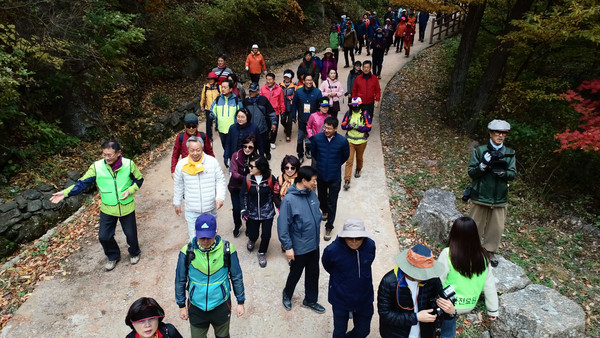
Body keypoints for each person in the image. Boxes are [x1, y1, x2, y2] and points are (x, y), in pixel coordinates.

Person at [50, 140, 143, 271]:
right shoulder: (97, 167)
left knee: (131, 234)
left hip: (126, 206)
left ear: (118, 153)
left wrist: (130, 190)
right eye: (104, 154)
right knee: (104, 236)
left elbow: (139, 179)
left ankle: (134, 252)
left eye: (109, 155)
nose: (106, 158)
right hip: (108, 207)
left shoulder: (129, 164)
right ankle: (113, 256)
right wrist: (65, 193)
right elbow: (82, 183)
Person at [175, 214, 245, 338]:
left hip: (221, 305)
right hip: (196, 307)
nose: (206, 241)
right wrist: (182, 306)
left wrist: (240, 301)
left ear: (216, 232)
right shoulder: (187, 252)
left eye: (209, 236)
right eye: (202, 237)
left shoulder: (227, 250)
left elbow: (236, 276)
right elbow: (180, 280)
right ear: (196, 233)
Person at [437, 217, 499, 338]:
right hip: (470, 304)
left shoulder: (448, 253)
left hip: (449, 305)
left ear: (453, 233)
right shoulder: (484, 256)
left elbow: (438, 279)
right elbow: (489, 285)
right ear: (475, 235)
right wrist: (493, 310)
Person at [377, 244, 456, 338]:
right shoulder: (389, 282)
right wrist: (416, 317)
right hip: (396, 334)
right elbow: (385, 314)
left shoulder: (433, 279)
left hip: (425, 333)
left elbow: (438, 307)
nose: (426, 276)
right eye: (422, 273)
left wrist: (450, 312)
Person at [468, 119, 516, 267]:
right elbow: (471, 172)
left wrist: (503, 173)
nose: (500, 136)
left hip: (499, 197)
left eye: (503, 133)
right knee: (474, 225)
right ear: (490, 133)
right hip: (480, 195)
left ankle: (489, 251)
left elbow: (512, 174)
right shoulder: (480, 151)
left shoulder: (509, 153)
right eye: (497, 133)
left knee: (496, 227)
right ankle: (470, 251)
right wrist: (482, 166)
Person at [278, 166, 325, 314]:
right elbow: (283, 225)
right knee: (295, 273)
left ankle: (310, 300)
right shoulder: (289, 200)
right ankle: (287, 294)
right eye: (313, 181)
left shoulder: (312, 194)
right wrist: (288, 247)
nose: (315, 183)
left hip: (314, 244)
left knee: (313, 273)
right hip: (299, 247)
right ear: (304, 181)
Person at [322, 218, 376, 338]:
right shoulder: (332, 250)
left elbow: (370, 261)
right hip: (340, 299)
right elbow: (327, 264)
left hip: (364, 298)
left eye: (358, 238)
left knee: (363, 331)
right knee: (339, 332)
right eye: (350, 238)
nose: (354, 241)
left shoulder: (370, 245)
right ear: (344, 236)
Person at [173, 136, 226, 241]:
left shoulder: (212, 162)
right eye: (192, 150)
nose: (195, 153)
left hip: (210, 208)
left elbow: (220, 180)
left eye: (198, 150)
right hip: (192, 209)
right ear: (188, 150)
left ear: (202, 149)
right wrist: (177, 203)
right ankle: (195, 256)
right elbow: (178, 185)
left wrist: (220, 197)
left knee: (211, 237)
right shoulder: (181, 165)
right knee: (194, 238)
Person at [310, 116, 350, 241]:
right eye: (325, 127)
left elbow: (345, 156)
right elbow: (314, 153)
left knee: (333, 202)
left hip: (334, 177)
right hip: (321, 175)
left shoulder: (342, 141)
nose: (326, 130)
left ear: (336, 129)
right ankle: (324, 211)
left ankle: (329, 226)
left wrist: (335, 164)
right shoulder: (317, 139)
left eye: (329, 128)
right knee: (321, 197)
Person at [241, 155, 278, 268]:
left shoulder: (271, 179)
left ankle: (262, 252)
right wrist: (244, 209)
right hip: (252, 213)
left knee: (266, 235)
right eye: (249, 166)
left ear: (261, 168)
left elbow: (275, 194)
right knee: (253, 233)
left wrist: (280, 206)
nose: (249, 168)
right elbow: (243, 195)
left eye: (252, 166)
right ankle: (252, 240)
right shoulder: (247, 179)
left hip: (267, 213)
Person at [228, 135, 259, 238]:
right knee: (236, 209)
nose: (247, 149)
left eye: (250, 147)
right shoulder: (235, 156)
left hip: (250, 188)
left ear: (254, 148)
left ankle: (248, 226)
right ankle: (237, 224)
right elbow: (235, 173)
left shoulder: (256, 158)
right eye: (245, 146)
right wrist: (247, 178)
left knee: (249, 208)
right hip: (236, 187)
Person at [341, 97, 372, 190]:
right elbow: (343, 125)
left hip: (361, 141)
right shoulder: (348, 113)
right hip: (350, 140)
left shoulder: (365, 114)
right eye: (353, 105)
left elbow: (369, 127)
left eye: (356, 105)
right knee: (349, 160)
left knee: (359, 158)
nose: (355, 107)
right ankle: (347, 180)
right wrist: (349, 126)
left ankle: (358, 169)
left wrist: (359, 128)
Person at [291, 74, 323, 163]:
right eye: (307, 80)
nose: (309, 82)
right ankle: (300, 154)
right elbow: (294, 105)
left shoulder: (317, 92)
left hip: (313, 121)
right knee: (300, 138)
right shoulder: (298, 92)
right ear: (303, 81)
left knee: (310, 137)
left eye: (311, 80)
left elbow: (320, 106)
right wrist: (293, 116)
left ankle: (308, 150)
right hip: (302, 119)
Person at [171, 113, 214, 179]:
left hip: (202, 169)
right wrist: (173, 171)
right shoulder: (180, 137)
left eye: (193, 126)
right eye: (188, 126)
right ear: (185, 126)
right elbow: (175, 155)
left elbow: (209, 152)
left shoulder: (203, 136)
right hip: (187, 169)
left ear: (197, 126)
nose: (191, 128)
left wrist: (213, 166)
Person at [210, 79, 243, 164]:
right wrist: (212, 115)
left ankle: (233, 162)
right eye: (222, 87)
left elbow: (242, 114)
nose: (223, 89)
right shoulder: (217, 100)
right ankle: (228, 159)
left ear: (231, 89)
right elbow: (212, 111)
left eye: (225, 87)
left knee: (234, 148)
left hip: (234, 130)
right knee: (225, 146)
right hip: (222, 130)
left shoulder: (236, 101)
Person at [243, 82, 277, 160]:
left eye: (253, 91)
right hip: (250, 130)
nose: (251, 92)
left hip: (263, 129)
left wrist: (274, 123)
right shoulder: (246, 102)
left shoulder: (264, 100)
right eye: (250, 91)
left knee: (265, 144)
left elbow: (271, 113)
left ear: (258, 91)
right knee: (253, 146)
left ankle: (267, 153)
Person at [260, 73, 285, 150]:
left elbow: (281, 101)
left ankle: (272, 141)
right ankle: (266, 141)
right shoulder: (263, 88)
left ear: (274, 80)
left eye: (270, 79)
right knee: (266, 127)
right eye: (267, 79)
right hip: (265, 111)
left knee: (274, 127)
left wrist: (282, 111)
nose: (268, 81)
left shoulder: (279, 89)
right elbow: (260, 100)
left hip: (275, 111)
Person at [200, 72, 222, 142]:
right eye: (209, 79)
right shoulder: (205, 87)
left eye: (212, 79)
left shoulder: (219, 87)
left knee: (219, 121)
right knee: (208, 123)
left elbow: (222, 97)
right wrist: (202, 105)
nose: (211, 81)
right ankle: (209, 137)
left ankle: (221, 133)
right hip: (208, 108)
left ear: (215, 80)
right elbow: (203, 97)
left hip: (217, 108)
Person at [280, 70, 297, 143]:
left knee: (290, 121)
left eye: (288, 77)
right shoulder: (280, 85)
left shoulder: (294, 86)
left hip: (291, 106)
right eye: (285, 76)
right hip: (282, 106)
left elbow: (296, 96)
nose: (286, 78)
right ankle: (286, 127)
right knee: (282, 120)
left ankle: (288, 135)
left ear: (291, 78)